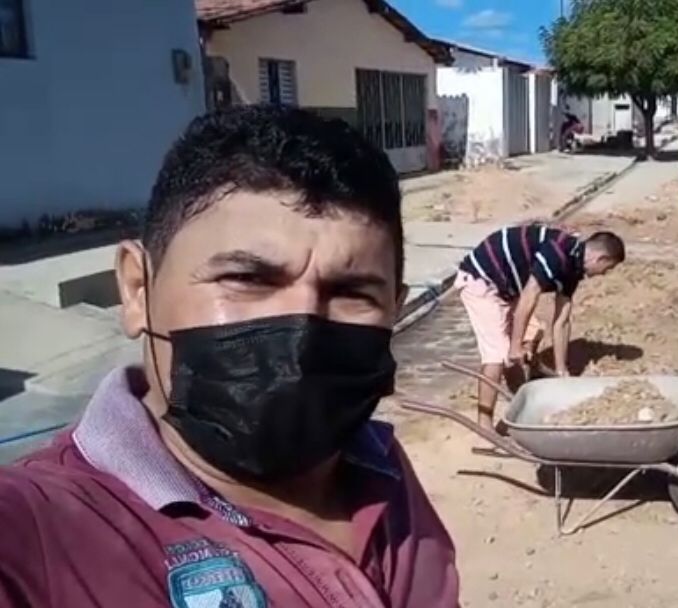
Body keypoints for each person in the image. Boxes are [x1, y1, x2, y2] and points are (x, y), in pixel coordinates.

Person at [0, 106, 459, 606]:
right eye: (247, 279)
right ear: (137, 289)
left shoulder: (380, 460)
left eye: (352, 291)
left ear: (394, 305)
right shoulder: (38, 534)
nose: (301, 333)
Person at [456, 225, 625, 429]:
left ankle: (521, 401)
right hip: (481, 279)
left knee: (534, 331)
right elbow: (529, 297)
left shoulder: (574, 267)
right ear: (601, 259)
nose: (603, 274)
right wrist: (515, 346)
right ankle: (484, 425)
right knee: (498, 355)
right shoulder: (558, 252)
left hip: (507, 288)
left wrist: (562, 372)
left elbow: (562, 320)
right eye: (607, 269)